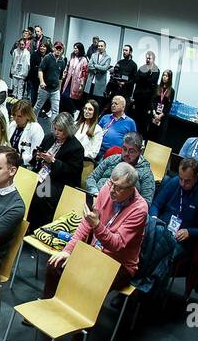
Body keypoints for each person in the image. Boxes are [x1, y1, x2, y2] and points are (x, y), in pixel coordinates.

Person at [44, 162, 147, 298]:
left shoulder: (140, 209)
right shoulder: (106, 190)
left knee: (87, 282)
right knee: (55, 264)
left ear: (131, 189)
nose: (112, 190)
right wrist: (68, 250)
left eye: (119, 188)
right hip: (94, 252)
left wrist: (97, 225)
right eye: (112, 184)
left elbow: (116, 244)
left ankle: (74, 315)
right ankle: (49, 306)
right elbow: (86, 224)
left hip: (119, 264)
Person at [27, 112, 85, 228]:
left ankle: (36, 227)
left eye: (61, 130)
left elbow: (72, 172)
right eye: (55, 129)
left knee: (41, 194)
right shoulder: (49, 137)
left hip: (59, 182)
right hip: (42, 174)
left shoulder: (76, 148)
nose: (57, 133)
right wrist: (37, 157)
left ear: (68, 130)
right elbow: (36, 157)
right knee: (24, 183)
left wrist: (53, 161)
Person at [150, 158, 198, 261]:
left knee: (160, 255)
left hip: (180, 240)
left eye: (187, 181)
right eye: (181, 179)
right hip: (161, 230)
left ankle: (150, 277)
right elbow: (156, 204)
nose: (183, 184)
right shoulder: (174, 182)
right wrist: (154, 218)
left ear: (196, 177)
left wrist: (189, 232)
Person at [86, 131, 156, 204]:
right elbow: (92, 178)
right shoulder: (112, 159)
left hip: (121, 209)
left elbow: (145, 203)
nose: (126, 154)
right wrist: (95, 193)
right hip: (97, 198)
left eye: (131, 151)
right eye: (124, 149)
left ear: (140, 152)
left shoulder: (146, 174)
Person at [34, 41, 66, 120]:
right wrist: (42, 81)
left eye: (60, 49)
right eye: (57, 48)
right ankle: (32, 122)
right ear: (53, 48)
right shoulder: (48, 57)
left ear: (62, 50)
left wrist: (59, 89)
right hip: (45, 88)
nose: (58, 50)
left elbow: (60, 77)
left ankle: (54, 130)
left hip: (55, 90)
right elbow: (40, 70)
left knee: (55, 110)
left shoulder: (62, 61)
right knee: (38, 106)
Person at [8, 99, 44, 169]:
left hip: (25, 166)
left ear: (28, 116)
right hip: (10, 161)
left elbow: (35, 155)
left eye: (19, 116)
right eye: (14, 115)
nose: (15, 118)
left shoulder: (36, 129)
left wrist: (19, 158)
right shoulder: (12, 124)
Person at [132, 50, 160, 124]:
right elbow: (136, 80)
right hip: (138, 97)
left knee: (143, 120)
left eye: (149, 58)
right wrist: (147, 75)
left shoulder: (156, 70)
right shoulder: (142, 67)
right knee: (135, 118)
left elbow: (151, 82)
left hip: (147, 99)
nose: (147, 60)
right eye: (146, 58)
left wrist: (143, 77)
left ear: (153, 59)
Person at [61, 42, 89, 115]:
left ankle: (74, 111)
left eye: (76, 48)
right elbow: (67, 67)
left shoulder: (84, 59)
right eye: (74, 48)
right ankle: (67, 112)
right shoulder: (72, 57)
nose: (75, 50)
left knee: (71, 97)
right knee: (64, 96)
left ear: (80, 49)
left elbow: (84, 73)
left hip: (77, 82)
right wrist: (64, 74)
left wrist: (82, 84)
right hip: (68, 80)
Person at [146, 69, 175, 140]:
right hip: (154, 114)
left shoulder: (171, 91)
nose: (164, 77)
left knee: (159, 138)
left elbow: (169, 105)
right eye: (163, 75)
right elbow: (152, 101)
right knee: (150, 136)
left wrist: (160, 116)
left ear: (170, 78)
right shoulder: (157, 87)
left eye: (167, 76)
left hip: (163, 117)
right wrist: (154, 113)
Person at [86, 39, 113, 104]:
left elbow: (105, 68)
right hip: (91, 82)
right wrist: (97, 67)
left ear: (105, 47)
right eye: (99, 46)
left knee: (97, 103)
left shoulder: (108, 58)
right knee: (87, 101)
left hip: (99, 84)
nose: (100, 47)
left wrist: (95, 65)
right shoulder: (93, 55)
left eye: (101, 46)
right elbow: (89, 66)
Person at [8, 35, 31, 105]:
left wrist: (25, 73)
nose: (21, 46)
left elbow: (28, 64)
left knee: (20, 88)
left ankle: (19, 101)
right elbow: (13, 61)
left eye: (23, 44)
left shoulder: (27, 53)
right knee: (15, 86)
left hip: (22, 73)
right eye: (20, 44)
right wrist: (12, 71)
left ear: (25, 45)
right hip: (15, 72)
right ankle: (14, 101)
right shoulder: (15, 51)